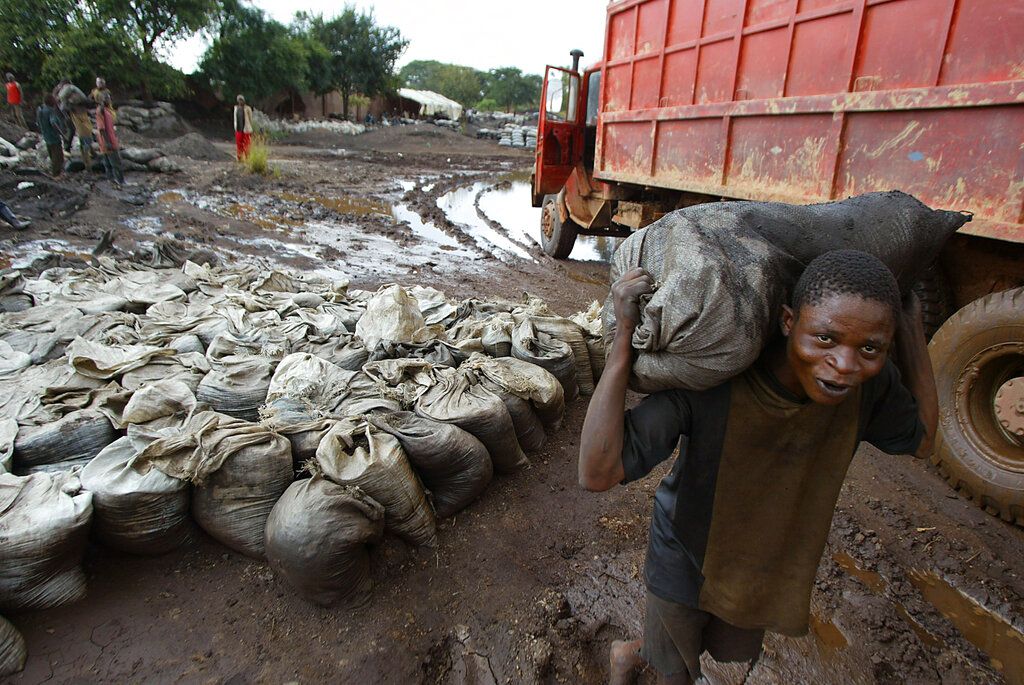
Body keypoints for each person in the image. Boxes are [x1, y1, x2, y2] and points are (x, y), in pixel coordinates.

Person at [579, 249, 938, 685]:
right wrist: (623, 334)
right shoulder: (717, 379)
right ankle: (633, 659)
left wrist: (913, 329)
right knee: (674, 673)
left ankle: (631, 653)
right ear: (788, 322)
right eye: (825, 338)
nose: (845, 366)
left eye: (869, 347)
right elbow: (597, 471)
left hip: (764, 563)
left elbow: (920, 440)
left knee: (713, 648)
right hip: (686, 554)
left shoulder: (870, 388)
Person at [57, 80, 94, 170]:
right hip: (79, 125)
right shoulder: (76, 104)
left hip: (76, 121)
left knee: (83, 141)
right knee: (84, 141)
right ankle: (88, 165)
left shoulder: (71, 103)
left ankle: (89, 158)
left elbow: (62, 107)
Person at [95, 92, 124, 186]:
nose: (108, 100)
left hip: (108, 140)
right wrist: (108, 142)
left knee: (108, 163)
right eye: (106, 98)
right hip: (108, 141)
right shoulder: (101, 111)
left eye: (109, 98)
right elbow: (101, 128)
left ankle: (112, 181)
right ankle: (120, 181)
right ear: (100, 100)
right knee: (116, 163)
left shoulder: (106, 110)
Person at [36, 94, 67, 178]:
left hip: (46, 135)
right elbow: (53, 123)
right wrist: (62, 134)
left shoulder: (40, 109)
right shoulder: (50, 111)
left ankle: (55, 173)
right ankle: (56, 174)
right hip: (54, 136)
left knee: (51, 154)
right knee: (58, 156)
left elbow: (38, 123)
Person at [233, 94, 253, 161]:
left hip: (246, 129)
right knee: (239, 144)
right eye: (239, 100)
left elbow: (250, 119)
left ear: (243, 101)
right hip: (238, 129)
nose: (240, 101)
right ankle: (240, 158)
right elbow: (235, 119)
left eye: (241, 100)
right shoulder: (236, 108)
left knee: (247, 144)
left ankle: (247, 158)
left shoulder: (247, 108)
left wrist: (250, 126)